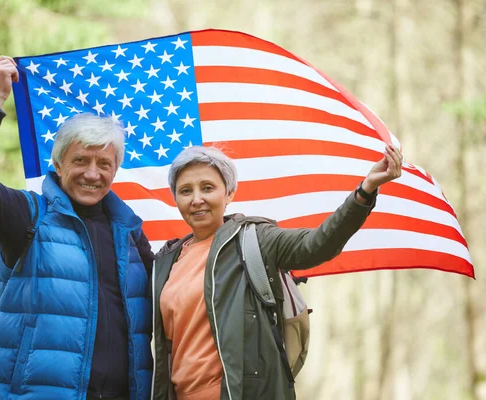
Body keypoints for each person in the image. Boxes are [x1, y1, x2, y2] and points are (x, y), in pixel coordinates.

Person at [0, 56, 153, 400]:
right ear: (57, 164)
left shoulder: (131, 233)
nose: (92, 173)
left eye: (104, 163)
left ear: (116, 170)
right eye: (80, 160)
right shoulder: (27, 216)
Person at [150, 145, 403, 400]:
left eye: (207, 188)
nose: (196, 199)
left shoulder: (253, 239)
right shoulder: (166, 261)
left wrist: (364, 192)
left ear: (228, 193)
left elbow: (316, 245)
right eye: (186, 191)